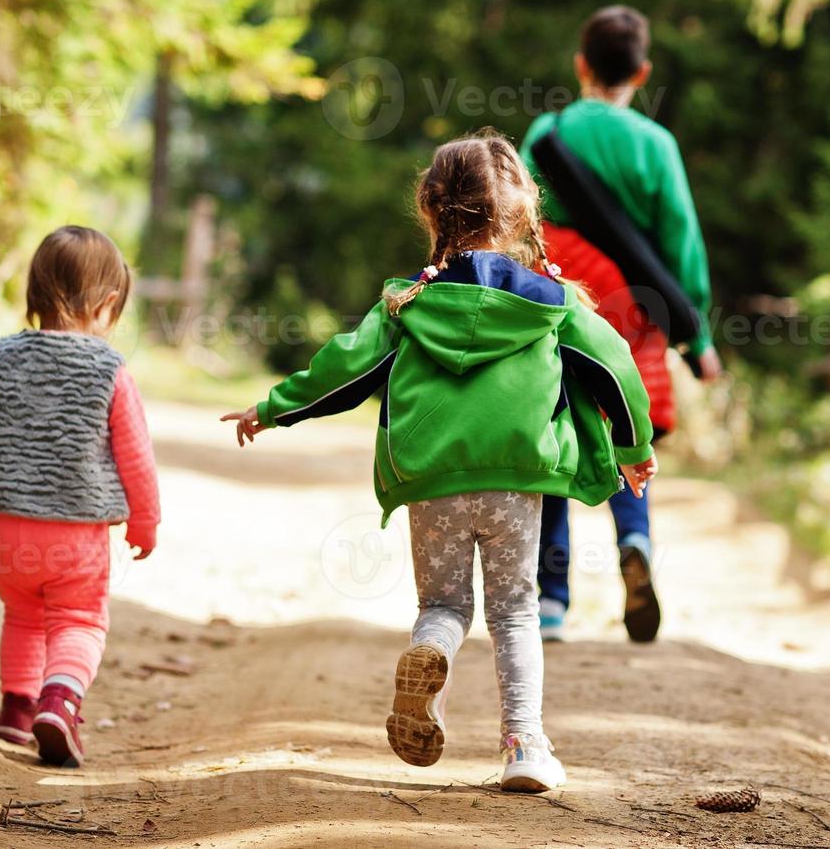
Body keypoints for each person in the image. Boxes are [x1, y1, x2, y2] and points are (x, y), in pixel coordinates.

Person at [221, 132, 656, 792]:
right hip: (516, 478)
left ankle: (432, 651)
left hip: (431, 478)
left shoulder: (406, 303)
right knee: (513, 610)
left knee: (445, 605)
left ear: (431, 210)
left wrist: (273, 408)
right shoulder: (551, 303)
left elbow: (343, 367)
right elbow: (615, 366)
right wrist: (632, 450)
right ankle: (524, 747)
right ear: (521, 211)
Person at [520, 5, 720, 644]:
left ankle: (550, 603)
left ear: (581, 64)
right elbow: (681, 243)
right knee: (625, 423)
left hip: (559, 298)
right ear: (642, 71)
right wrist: (700, 334)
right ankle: (634, 539)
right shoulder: (655, 146)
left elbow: (518, 222)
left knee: (552, 433)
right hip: (634, 306)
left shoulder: (547, 134)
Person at [0, 225, 160, 767]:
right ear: (109, 305)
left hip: (10, 530)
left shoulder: (0, 358)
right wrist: (144, 523)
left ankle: (16, 708)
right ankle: (60, 701)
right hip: (77, 536)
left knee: (22, 614)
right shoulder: (110, 370)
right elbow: (135, 455)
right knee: (79, 620)